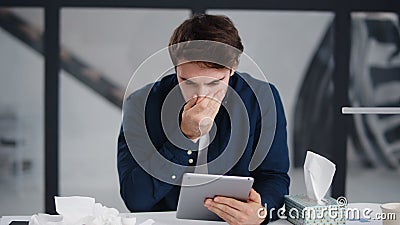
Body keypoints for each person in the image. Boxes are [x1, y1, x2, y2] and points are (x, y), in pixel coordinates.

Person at [117, 14, 290, 224]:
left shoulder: (263, 99)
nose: (200, 95)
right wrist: (184, 138)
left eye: (214, 83)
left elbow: (274, 177)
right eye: (187, 82)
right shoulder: (141, 104)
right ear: (175, 68)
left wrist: (260, 212)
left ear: (232, 67)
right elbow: (136, 199)